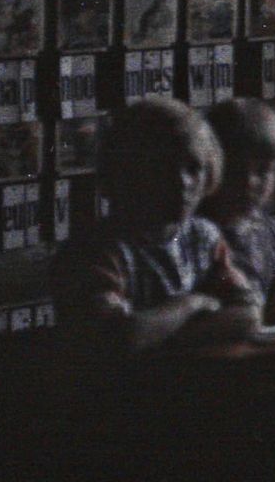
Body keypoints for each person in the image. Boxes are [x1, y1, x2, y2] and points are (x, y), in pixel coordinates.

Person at [53, 97, 260, 355]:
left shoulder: (204, 238)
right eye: (162, 166)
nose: (182, 182)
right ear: (125, 171)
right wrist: (192, 304)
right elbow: (121, 336)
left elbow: (248, 314)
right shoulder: (95, 252)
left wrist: (162, 334)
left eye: (193, 168)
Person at [202, 98, 275, 325]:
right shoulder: (196, 235)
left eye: (262, 171)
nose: (249, 182)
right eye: (234, 169)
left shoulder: (268, 233)